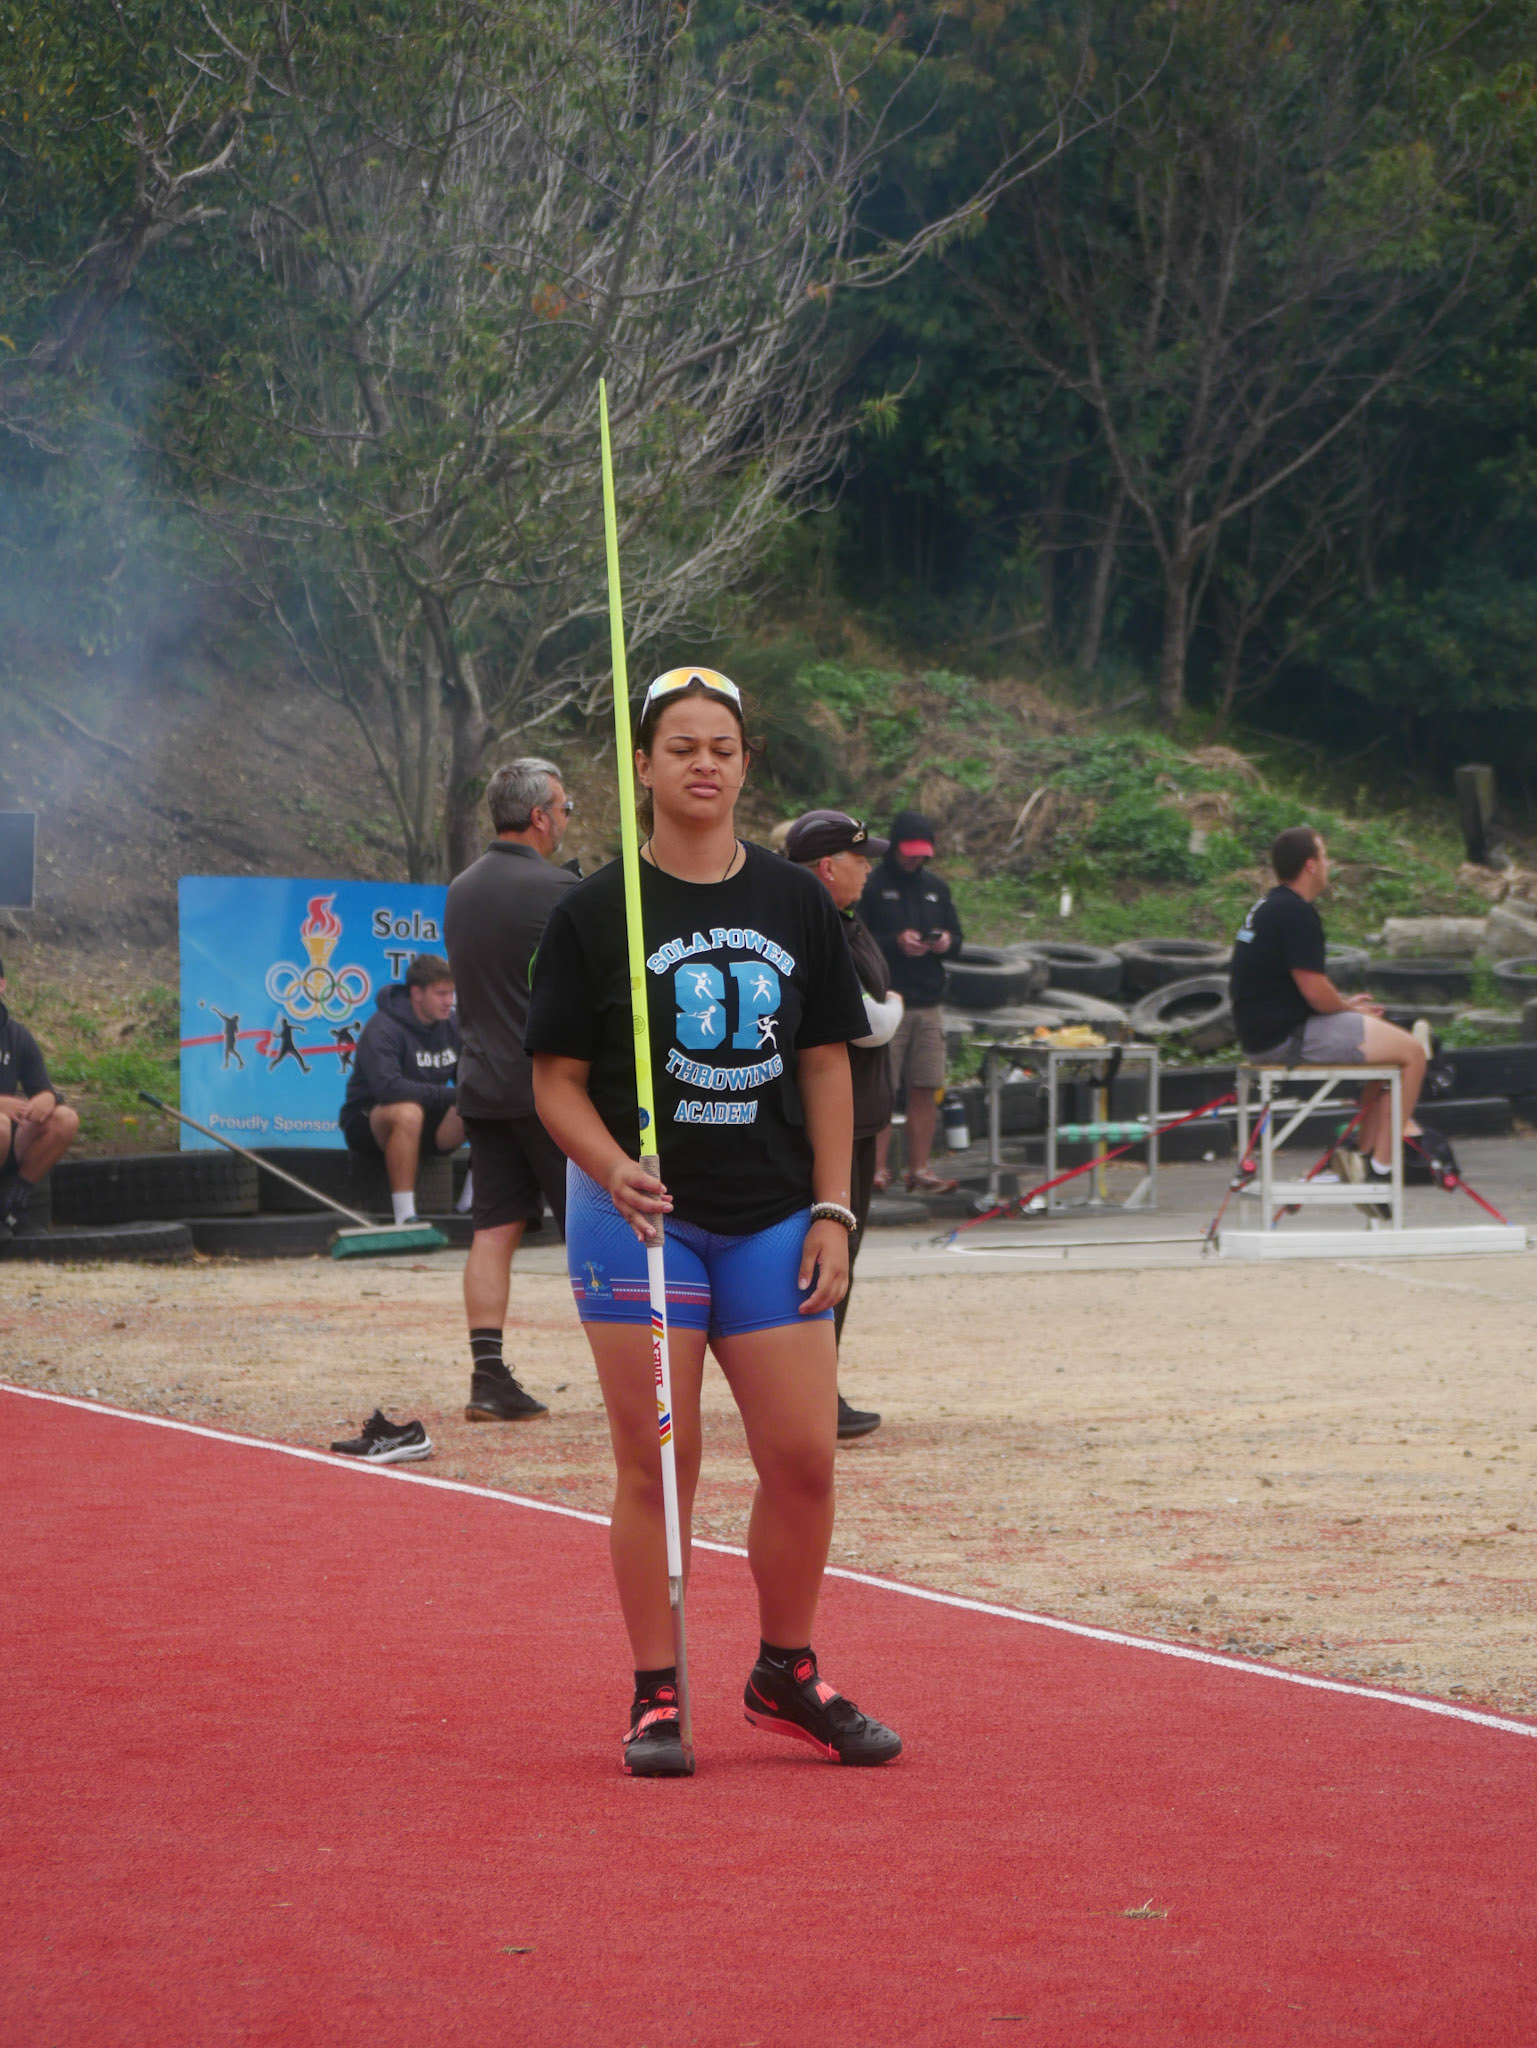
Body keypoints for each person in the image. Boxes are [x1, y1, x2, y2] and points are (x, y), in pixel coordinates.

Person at [527, 666, 902, 1778]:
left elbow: (826, 1061)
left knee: (803, 1456)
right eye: (681, 746)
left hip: (772, 1213)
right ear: (642, 766)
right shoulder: (592, 910)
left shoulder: (796, 899)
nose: (704, 763)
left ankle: (785, 1669)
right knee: (662, 1459)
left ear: (745, 765)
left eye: (723, 748)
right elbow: (553, 1082)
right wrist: (611, 1167)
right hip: (640, 1221)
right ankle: (657, 1689)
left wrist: (832, 1209)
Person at [444, 757, 578, 1424]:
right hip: (551, 1088)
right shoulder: (560, 890)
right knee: (596, 1234)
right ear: (538, 816)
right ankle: (636, 1375)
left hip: (482, 1084)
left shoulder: (460, 889)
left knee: (492, 1231)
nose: (566, 820)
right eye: (564, 809)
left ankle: (487, 1373)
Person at [785, 808, 905, 1442]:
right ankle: (811, 1392)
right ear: (828, 867)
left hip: (859, 1116)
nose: (868, 870)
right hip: (835, 1120)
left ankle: (817, 1386)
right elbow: (868, 1024)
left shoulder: (846, 921)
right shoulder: (817, 925)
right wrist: (894, 1009)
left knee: (842, 1253)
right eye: (860, 860)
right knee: (828, 1254)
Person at [1231, 826, 1427, 1184]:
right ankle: (1382, 1168)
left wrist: (1345, 1006)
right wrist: (1351, 1010)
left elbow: (1303, 987)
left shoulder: (1268, 906)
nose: (1329, 863)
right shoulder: (1297, 912)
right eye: (1324, 856)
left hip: (1262, 1034)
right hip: (1286, 1038)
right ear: (1310, 865)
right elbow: (1315, 993)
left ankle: (1360, 1158)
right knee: (1413, 1053)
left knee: (1385, 1055)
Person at [860, 808, 963, 1194]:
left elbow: (958, 937)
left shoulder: (936, 887)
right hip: (888, 1000)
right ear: (894, 847)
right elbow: (856, 937)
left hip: (929, 1002)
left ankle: (920, 1169)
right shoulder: (872, 885)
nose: (915, 860)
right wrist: (896, 942)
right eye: (909, 853)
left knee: (925, 1086)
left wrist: (946, 942)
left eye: (922, 854)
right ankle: (875, 1169)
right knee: (882, 1089)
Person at [338, 954, 464, 1225]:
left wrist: (475, 1094)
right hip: (369, 1120)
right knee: (409, 1112)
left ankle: (472, 1204)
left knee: (487, 1101)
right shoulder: (383, 1027)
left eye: (451, 993)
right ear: (417, 994)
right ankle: (405, 1216)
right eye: (441, 994)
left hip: (429, 1120)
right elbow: (388, 1089)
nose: (449, 1001)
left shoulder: (453, 1025)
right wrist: (452, 1096)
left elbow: (467, 1081)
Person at [0, 957, 80, 1244]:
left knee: (65, 1119)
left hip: (10, 1136)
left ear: (2, 985)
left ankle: (13, 1205)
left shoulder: (16, 1035)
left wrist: (47, 1098)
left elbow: (43, 1089)